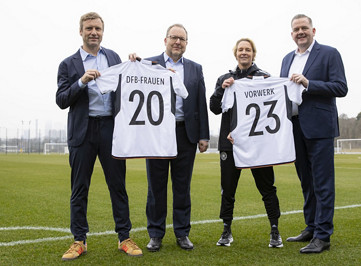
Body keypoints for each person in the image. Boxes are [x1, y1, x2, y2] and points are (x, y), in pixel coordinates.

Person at [56, 12, 142, 260]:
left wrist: (135, 63)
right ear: (80, 31)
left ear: (103, 32)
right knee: (79, 188)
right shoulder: (68, 64)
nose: (94, 32)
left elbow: (130, 83)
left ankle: (124, 237)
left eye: (98, 28)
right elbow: (61, 99)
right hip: (82, 132)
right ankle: (79, 240)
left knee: (118, 186)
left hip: (111, 130)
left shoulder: (113, 57)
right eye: (89, 28)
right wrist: (81, 81)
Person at [130, 23, 209, 252]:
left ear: (186, 44)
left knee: (182, 187)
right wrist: (134, 62)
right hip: (157, 134)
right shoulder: (149, 64)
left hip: (186, 133)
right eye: (174, 38)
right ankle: (155, 234)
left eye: (182, 39)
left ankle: (182, 233)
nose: (177, 42)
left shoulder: (195, 68)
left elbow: (200, 103)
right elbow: (133, 79)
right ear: (165, 40)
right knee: (156, 186)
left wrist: (203, 135)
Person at [280, 14, 348, 253]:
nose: (300, 32)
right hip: (295, 126)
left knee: (322, 183)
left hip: (319, 127)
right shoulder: (287, 59)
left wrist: (309, 83)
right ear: (292, 34)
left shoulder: (329, 54)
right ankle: (311, 226)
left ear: (313, 30)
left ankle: (323, 236)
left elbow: (341, 87)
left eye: (304, 28)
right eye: (296, 29)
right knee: (306, 182)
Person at [209, 38, 283, 248]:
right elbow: (214, 107)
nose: (244, 53)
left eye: (247, 50)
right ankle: (226, 230)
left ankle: (275, 230)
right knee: (228, 189)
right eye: (240, 49)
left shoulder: (264, 77)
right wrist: (221, 90)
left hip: (258, 144)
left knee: (267, 187)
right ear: (235, 53)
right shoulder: (225, 78)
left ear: (253, 54)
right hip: (230, 144)